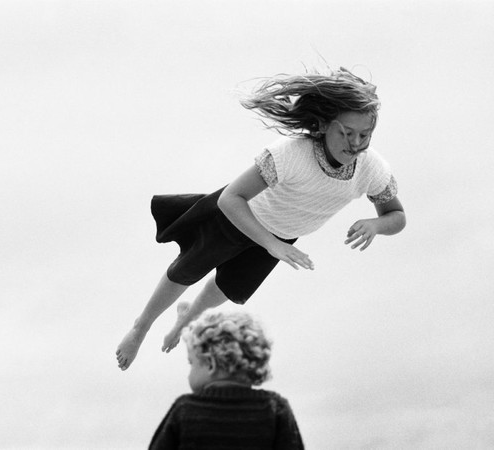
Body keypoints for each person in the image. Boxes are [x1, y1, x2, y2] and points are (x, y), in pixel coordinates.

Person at [117, 66, 406, 370]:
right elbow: (231, 198)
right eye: (347, 133)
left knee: (228, 290)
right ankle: (141, 327)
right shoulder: (291, 155)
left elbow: (397, 216)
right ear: (322, 126)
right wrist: (271, 245)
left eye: (365, 135)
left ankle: (184, 322)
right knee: (186, 272)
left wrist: (376, 225)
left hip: (281, 237)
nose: (355, 144)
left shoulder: (370, 168)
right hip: (237, 219)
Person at [148, 310, 305, 450]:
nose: (189, 374)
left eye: (192, 363)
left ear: (211, 363)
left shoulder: (184, 410)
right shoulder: (275, 408)